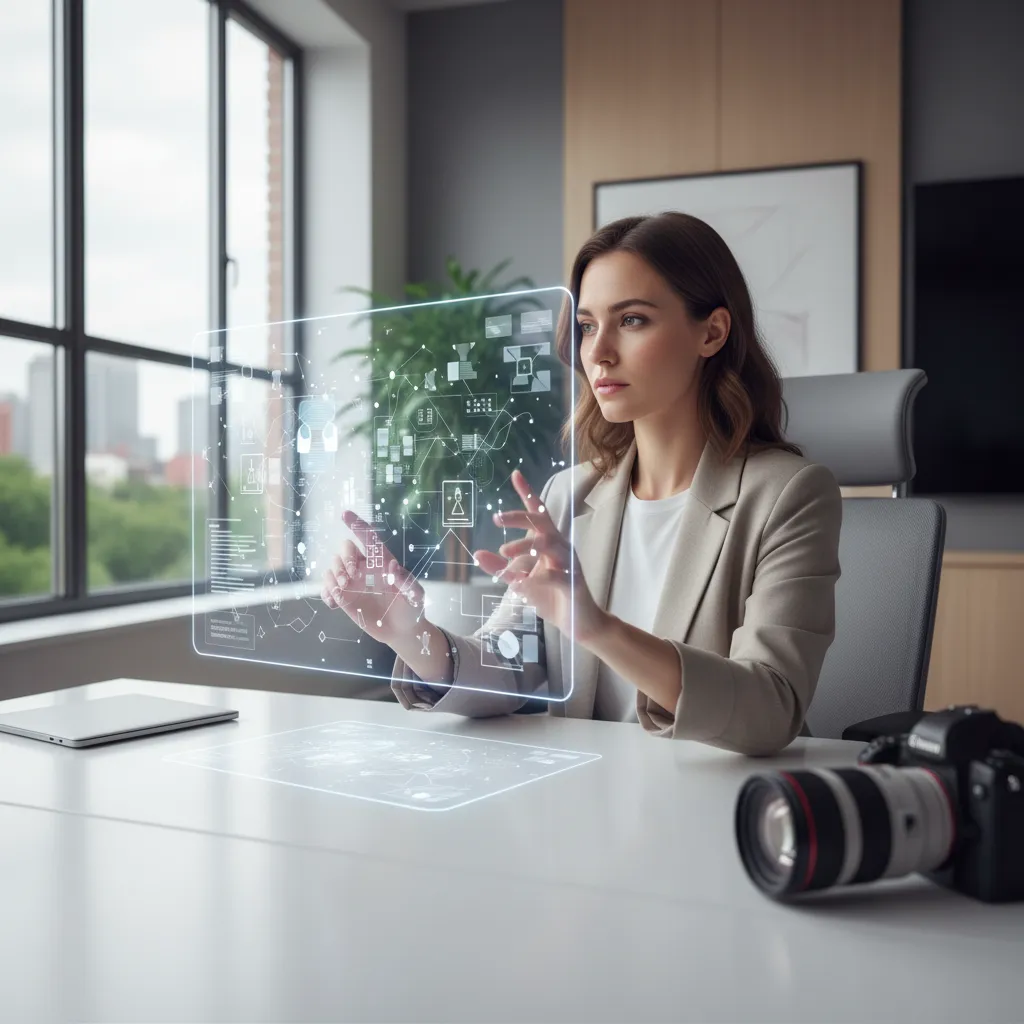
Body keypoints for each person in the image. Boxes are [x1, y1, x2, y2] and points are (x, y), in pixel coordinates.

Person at [321, 212, 842, 756]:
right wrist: (406, 630)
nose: (596, 352)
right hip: (593, 800)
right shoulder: (570, 495)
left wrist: (597, 628)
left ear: (711, 332)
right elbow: (506, 665)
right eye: (588, 325)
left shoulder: (790, 494)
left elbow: (772, 707)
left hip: (725, 807)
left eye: (633, 320)